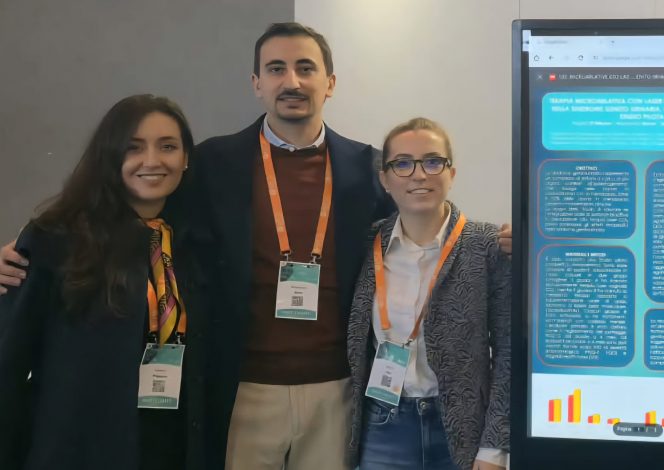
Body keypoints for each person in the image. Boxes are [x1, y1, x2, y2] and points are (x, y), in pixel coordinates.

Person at [0, 22, 512, 470]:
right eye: (276, 69)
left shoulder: (368, 168)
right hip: (240, 387)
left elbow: (423, 224)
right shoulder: (211, 164)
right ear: (256, 83)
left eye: (306, 68)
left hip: (336, 389)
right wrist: (26, 252)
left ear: (330, 83)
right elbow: (132, 217)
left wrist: (505, 241)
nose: (292, 81)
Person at [0, 94, 210, 470]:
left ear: (186, 158)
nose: (152, 161)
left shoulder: (197, 241)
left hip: (172, 444)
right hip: (79, 448)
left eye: (168, 146)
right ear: (110, 156)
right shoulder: (55, 239)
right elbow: (10, 363)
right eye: (133, 147)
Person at [347, 118, 510, 470]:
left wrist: (494, 448)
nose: (419, 175)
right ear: (385, 179)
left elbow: (508, 352)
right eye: (403, 164)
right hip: (383, 427)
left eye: (433, 162)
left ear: (451, 173)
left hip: (462, 430)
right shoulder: (365, 244)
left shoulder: (487, 245)